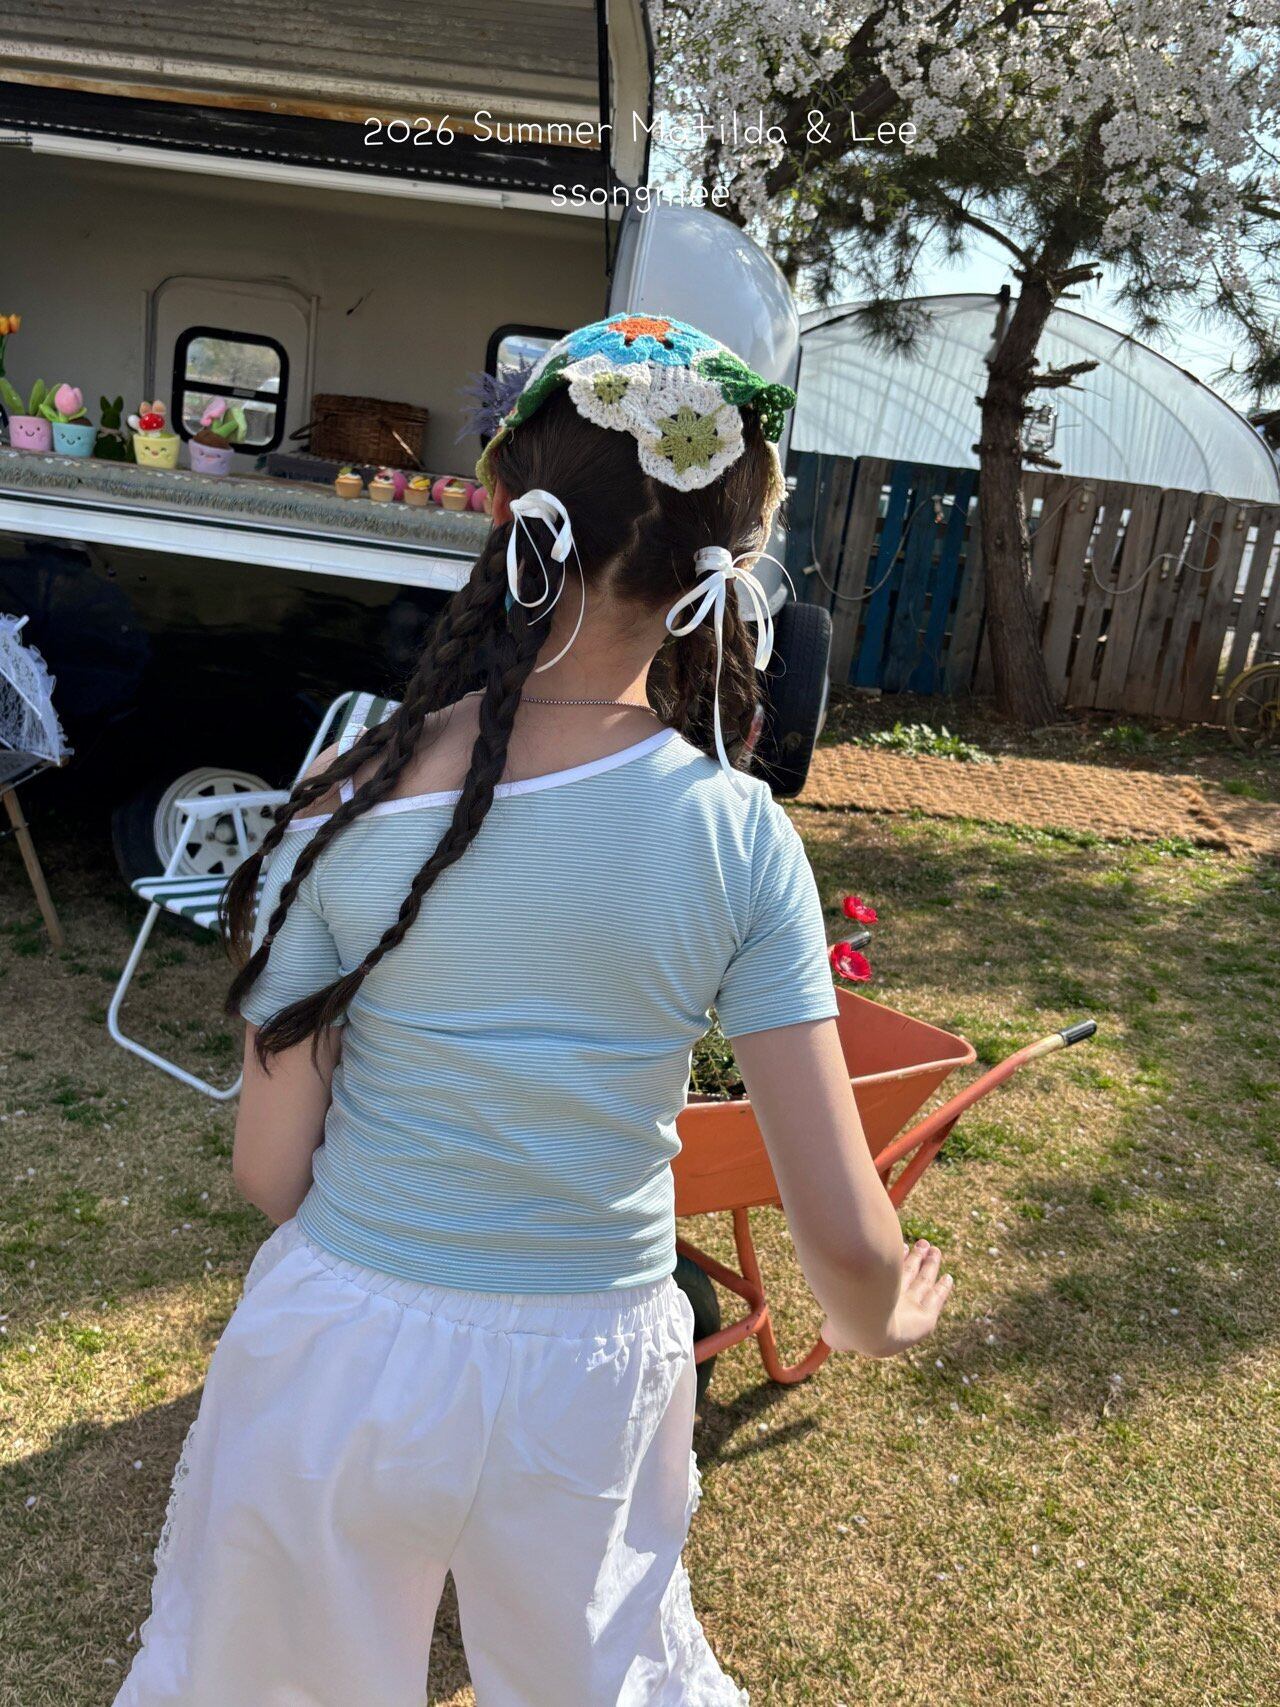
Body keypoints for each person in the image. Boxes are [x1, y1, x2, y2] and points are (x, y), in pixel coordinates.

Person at [114, 313, 952, 1707]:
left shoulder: (348, 795)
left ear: (511, 512)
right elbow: (849, 1241)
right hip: (592, 1374)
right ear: (727, 570)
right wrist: (882, 1321)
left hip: (339, 1347)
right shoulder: (740, 839)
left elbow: (270, 1173)